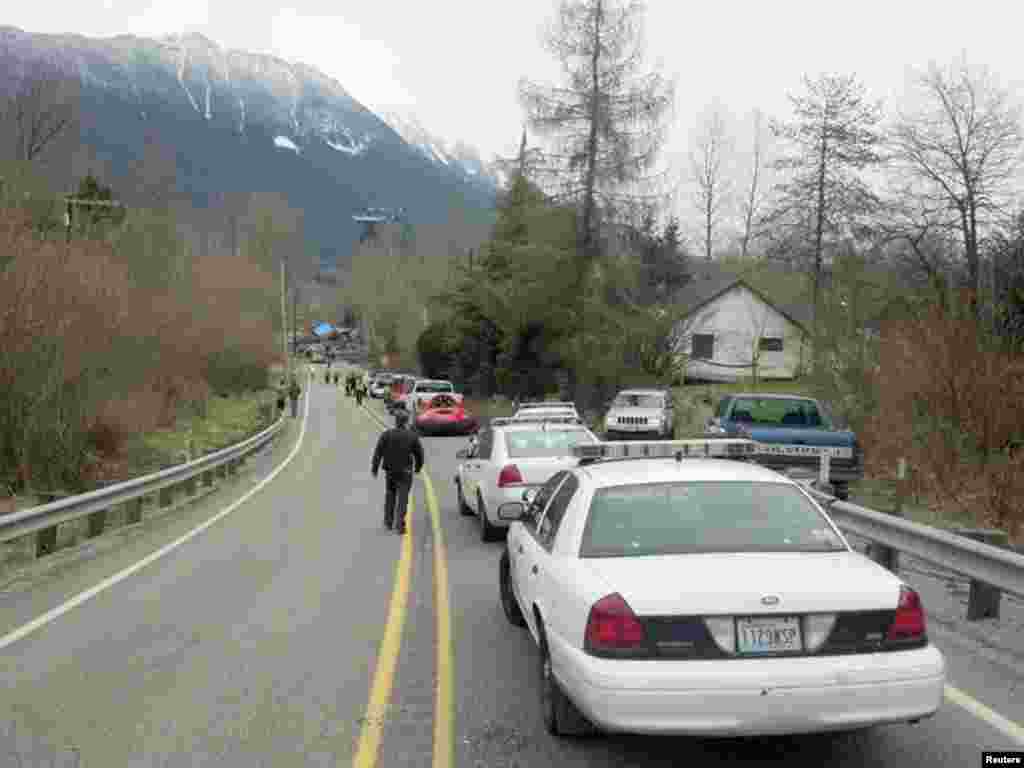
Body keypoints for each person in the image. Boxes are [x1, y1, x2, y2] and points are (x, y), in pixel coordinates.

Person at [371, 409, 424, 534]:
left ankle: (388, 522)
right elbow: (419, 454)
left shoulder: (386, 434)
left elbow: (378, 452)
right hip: (405, 472)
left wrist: (375, 468)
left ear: (396, 421)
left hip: (390, 471)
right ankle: (400, 525)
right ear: (405, 422)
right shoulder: (411, 436)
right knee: (403, 498)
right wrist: (418, 467)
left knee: (390, 495)